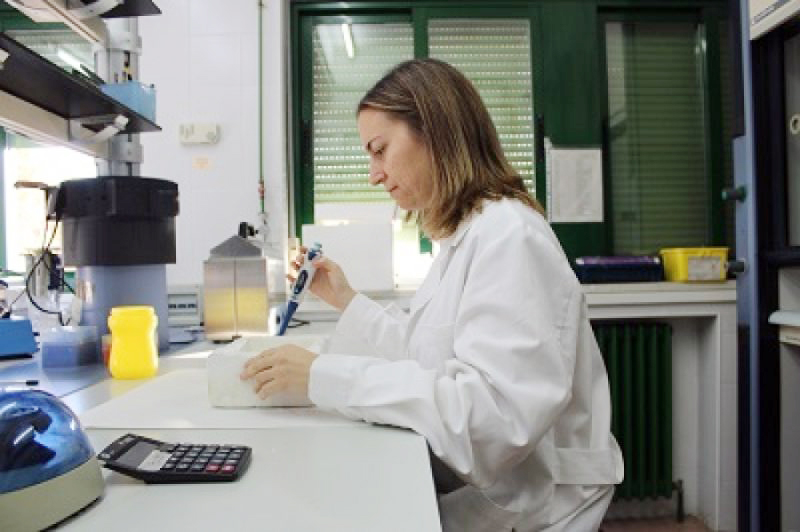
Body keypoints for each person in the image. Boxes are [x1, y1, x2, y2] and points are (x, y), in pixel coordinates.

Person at [241, 58, 623, 531]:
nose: (373, 175)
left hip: (540, 504)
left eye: (380, 150)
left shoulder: (509, 236)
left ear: (436, 130)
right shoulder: (467, 236)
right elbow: (426, 353)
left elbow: (494, 417)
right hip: (498, 493)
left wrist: (325, 376)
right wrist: (344, 297)